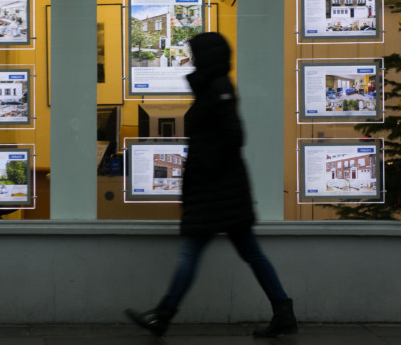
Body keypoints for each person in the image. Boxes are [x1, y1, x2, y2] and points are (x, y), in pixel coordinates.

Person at [125, 32, 298, 338]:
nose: (190, 59)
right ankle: (283, 312)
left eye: (194, 53)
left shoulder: (218, 87)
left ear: (207, 56)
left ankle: (163, 316)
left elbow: (233, 136)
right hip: (221, 191)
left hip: (217, 191)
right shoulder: (212, 86)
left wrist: (203, 171)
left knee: (194, 252)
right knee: (249, 254)